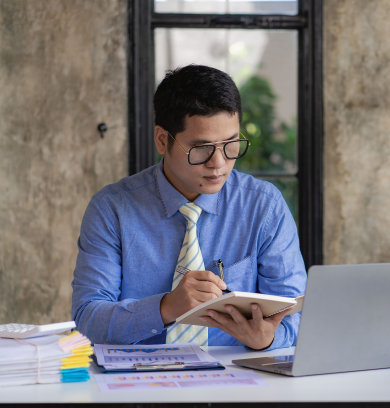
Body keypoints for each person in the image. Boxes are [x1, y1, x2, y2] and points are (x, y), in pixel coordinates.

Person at [71, 64, 307, 350]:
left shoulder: (263, 206)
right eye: (202, 148)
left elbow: (298, 314)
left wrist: (268, 339)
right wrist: (167, 307)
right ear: (162, 140)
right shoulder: (112, 209)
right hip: (138, 381)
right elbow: (89, 317)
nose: (219, 163)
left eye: (231, 145)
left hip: (241, 379)